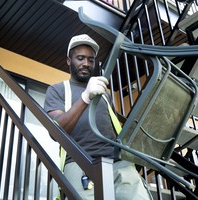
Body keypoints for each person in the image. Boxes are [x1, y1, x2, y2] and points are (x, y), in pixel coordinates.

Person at [44, 34, 152, 200]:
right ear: (69, 61)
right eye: (80, 58)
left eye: (91, 59)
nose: (86, 63)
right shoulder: (57, 90)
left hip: (117, 161)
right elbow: (55, 130)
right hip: (79, 161)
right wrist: (85, 97)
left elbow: (114, 126)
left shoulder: (104, 93)